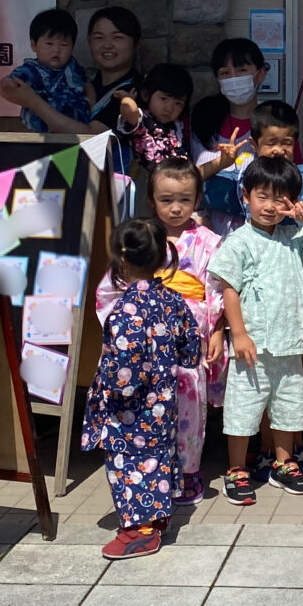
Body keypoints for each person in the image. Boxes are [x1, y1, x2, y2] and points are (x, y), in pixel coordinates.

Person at [210, 154, 303, 505]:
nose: (269, 206)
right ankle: (236, 469)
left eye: (278, 198)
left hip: (289, 342)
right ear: (246, 195)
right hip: (253, 343)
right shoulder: (238, 241)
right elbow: (229, 289)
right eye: (261, 196)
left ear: (291, 201)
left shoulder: (294, 235)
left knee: (289, 407)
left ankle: (284, 463)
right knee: (243, 409)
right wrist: (238, 333)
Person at [96, 158, 223, 508]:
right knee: (146, 407)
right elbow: (110, 289)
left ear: (198, 198)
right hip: (143, 343)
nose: (176, 207)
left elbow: (217, 289)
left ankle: (189, 469)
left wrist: (217, 330)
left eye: (185, 198)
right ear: (151, 200)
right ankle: (153, 468)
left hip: (187, 339)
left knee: (189, 405)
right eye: (166, 200)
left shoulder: (209, 242)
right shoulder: (140, 238)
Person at [82, 217, 201, 561]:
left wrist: (110, 391)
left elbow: (123, 372)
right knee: (158, 455)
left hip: (131, 405)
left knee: (130, 463)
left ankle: (140, 530)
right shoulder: (173, 300)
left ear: (122, 258)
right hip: (164, 399)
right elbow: (190, 348)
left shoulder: (125, 311)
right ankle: (158, 515)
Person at [189, 38, 269, 221]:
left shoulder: (273, 123)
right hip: (205, 234)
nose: (234, 78)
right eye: (225, 73)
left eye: (242, 70)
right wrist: (220, 164)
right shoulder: (200, 120)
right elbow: (182, 179)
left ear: (261, 74)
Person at [0, 8, 93, 134]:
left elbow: (86, 84)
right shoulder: (32, 69)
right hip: (40, 131)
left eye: (64, 45)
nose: (56, 50)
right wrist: (8, 84)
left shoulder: (74, 67)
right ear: (34, 45)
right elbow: (14, 80)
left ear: (72, 46)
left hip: (74, 130)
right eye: (49, 44)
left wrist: (92, 100)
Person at [113, 63, 195, 168]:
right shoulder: (142, 120)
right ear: (145, 94)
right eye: (164, 99)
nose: (169, 108)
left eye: (178, 103)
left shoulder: (178, 125)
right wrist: (127, 98)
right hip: (149, 181)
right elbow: (129, 110)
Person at [84, 5, 143, 134]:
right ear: (89, 42)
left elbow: (92, 137)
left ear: (136, 43)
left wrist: (34, 102)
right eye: (99, 38)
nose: (107, 45)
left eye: (117, 37)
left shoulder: (138, 92)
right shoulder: (82, 86)